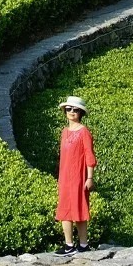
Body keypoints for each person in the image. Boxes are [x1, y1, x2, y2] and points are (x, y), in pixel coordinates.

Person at [55, 95, 97, 256]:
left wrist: (89, 178)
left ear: (80, 113)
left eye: (75, 110)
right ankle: (69, 245)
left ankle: (84, 244)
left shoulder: (84, 132)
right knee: (64, 209)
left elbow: (89, 156)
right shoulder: (64, 132)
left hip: (79, 177)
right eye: (69, 109)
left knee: (79, 209)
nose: (72, 112)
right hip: (65, 177)